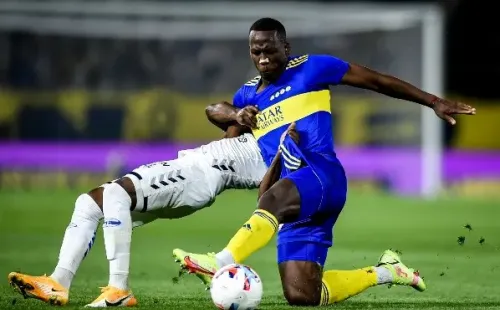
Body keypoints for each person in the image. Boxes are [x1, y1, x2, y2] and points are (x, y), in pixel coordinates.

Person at [172, 17, 476, 306]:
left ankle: (221, 261)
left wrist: (434, 101)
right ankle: (387, 271)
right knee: (304, 295)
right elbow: (218, 118)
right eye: (256, 51)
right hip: (291, 200)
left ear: (286, 49)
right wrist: (237, 115)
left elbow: (376, 80)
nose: (263, 57)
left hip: (320, 175)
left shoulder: (313, 68)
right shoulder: (246, 97)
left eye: (270, 50)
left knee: (273, 198)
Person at [7, 128, 267, 307]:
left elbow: (271, 186)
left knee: (116, 195)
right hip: (193, 172)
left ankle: (119, 289)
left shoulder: (289, 144)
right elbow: (219, 114)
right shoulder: (271, 114)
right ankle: (57, 282)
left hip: (196, 176)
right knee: (89, 202)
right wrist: (236, 114)